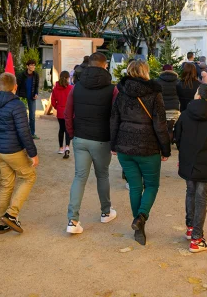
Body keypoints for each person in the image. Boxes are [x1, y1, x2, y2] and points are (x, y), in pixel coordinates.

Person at [110, 60, 171, 246]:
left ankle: (139, 224)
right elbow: (160, 124)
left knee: (135, 187)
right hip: (148, 146)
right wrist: (166, 148)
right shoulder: (154, 93)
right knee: (152, 185)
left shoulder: (121, 93)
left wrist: (113, 144)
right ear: (145, 72)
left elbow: (114, 120)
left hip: (125, 146)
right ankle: (141, 217)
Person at [64, 52, 118, 234]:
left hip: (80, 138)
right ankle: (105, 212)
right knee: (102, 175)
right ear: (105, 66)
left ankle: (72, 220)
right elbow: (115, 116)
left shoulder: (76, 87)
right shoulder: (112, 89)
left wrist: (72, 134)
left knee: (79, 177)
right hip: (102, 139)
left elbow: (67, 113)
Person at [174, 84, 207, 253]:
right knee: (201, 198)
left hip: (189, 161)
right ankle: (197, 237)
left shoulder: (184, 115)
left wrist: (185, 154)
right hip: (206, 162)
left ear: (198, 96)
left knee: (190, 193)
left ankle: (191, 228)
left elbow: (178, 138)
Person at [0, 72, 39, 234]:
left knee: (7, 183)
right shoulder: (17, 104)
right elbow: (24, 132)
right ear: (15, 86)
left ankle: (2, 222)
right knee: (29, 177)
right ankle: (11, 214)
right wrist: (33, 153)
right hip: (12, 150)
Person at [155, 64, 181, 141]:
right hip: (174, 108)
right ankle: (169, 144)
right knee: (170, 129)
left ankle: (163, 146)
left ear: (162, 71)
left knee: (162, 129)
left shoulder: (157, 81)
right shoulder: (178, 81)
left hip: (161, 108)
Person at [51, 70, 73, 159]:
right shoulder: (71, 88)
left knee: (61, 129)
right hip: (68, 111)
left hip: (60, 111)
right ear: (68, 78)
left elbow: (53, 101)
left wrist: (57, 107)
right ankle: (67, 146)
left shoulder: (56, 88)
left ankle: (61, 148)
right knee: (68, 129)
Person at [17, 59, 40, 139]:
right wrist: (17, 96)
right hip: (23, 97)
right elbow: (18, 86)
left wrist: (36, 94)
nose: (33, 66)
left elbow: (36, 86)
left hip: (32, 97)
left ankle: (32, 133)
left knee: (32, 116)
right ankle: (23, 133)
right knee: (23, 115)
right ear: (27, 66)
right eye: (31, 65)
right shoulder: (21, 75)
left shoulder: (36, 75)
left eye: (34, 65)